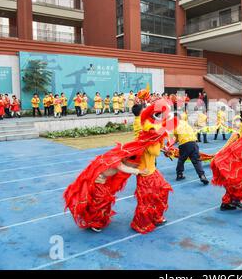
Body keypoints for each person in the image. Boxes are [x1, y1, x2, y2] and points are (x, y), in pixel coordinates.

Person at [64, 98, 176, 234]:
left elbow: (153, 147)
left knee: (162, 192)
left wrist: (164, 144)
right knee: (103, 201)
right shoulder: (142, 137)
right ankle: (102, 222)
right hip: (132, 175)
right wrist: (138, 171)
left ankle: (157, 216)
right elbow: (148, 153)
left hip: (149, 171)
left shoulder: (149, 137)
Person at [173, 112, 209, 185]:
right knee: (197, 161)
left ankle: (179, 174)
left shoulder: (175, 125)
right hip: (193, 142)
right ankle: (202, 176)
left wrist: (171, 144)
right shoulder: (186, 123)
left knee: (181, 159)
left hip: (184, 144)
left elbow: (176, 138)